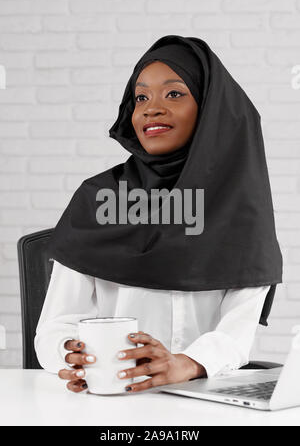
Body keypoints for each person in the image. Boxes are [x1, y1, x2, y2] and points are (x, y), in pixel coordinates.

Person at [34, 35, 282, 394]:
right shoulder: (99, 200)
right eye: (141, 97)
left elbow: (235, 334)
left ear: (211, 109)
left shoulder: (243, 211)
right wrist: (74, 356)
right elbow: (56, 327)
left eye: (174, 94)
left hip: (204, 405)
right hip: (110, 401)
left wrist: (187, 363)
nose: (150, 109)